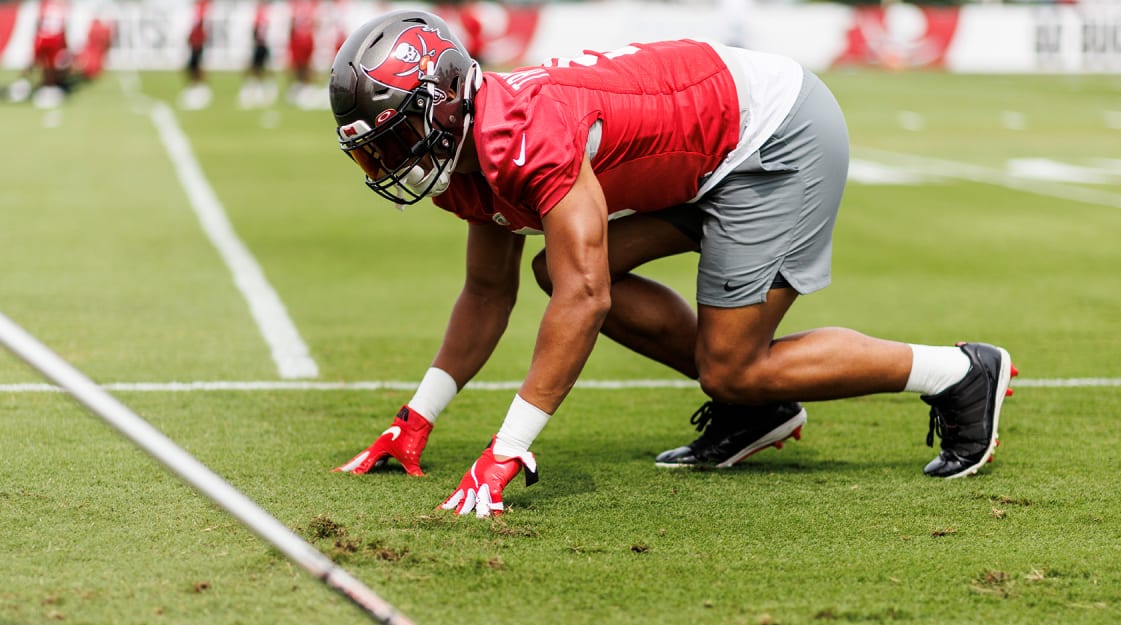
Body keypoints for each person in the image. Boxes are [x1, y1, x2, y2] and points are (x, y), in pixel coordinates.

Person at [328, 11, 1017, 518]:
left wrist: (505, 450)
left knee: (729, 364)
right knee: (556, 273)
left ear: (445, 102)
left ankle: (960, 373)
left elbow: (588, 298)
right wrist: (417, 419)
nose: (391, 164)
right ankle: (755, 412)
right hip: (705, 152)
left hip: (771, 138)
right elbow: (487, 291)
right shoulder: (473, 153)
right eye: (374, 153)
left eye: (396, 139)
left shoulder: (523, 135)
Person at [178, 0, 213, 110]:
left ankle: (200, 89)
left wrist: (198, 39)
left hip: (199, 42)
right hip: (195, 42)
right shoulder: (197, 9)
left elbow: (201, 24)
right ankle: (196, 87)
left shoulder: (203, 8)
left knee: (196, 67)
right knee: (191, 67)